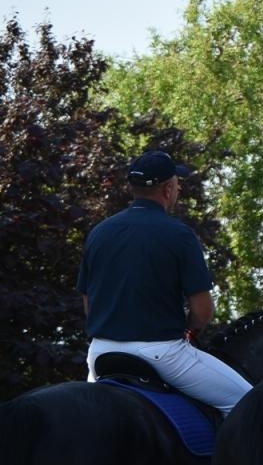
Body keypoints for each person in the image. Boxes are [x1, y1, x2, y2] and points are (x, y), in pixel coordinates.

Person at [76, 150, 253, 413]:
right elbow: (202, 312)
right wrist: (190, 330)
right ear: (168, 189)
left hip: (101, 355)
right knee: (250, 405)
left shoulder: (98, 233)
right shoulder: (179, 235)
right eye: (176, 183)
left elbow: (88, 304)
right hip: (162, 354)